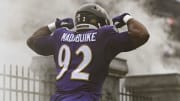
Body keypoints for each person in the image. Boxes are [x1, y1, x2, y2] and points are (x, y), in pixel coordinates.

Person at [27, 3, 149, 101]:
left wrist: (55, 25)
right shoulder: (104, 36)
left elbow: (32, 41)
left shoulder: (60, 35)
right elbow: (142, 34)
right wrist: (127, 18)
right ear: (99, 22)